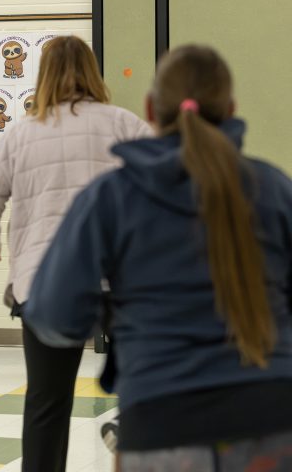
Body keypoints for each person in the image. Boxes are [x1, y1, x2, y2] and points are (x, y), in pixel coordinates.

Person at [24, 44, 292, 471]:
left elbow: (53, 316)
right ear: (231, 109)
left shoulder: (111, 197)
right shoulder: (275, 190)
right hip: (274, 417)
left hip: (161, 420)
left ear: (150, 108)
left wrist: (115, 315)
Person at [0, 35, 150, 472]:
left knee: (47, 402)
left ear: (42, 74)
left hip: (46, 283)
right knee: (147, 384)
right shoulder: (125, 125)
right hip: (119, 281)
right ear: (92, 71)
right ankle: (137, 433)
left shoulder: (20, 134)